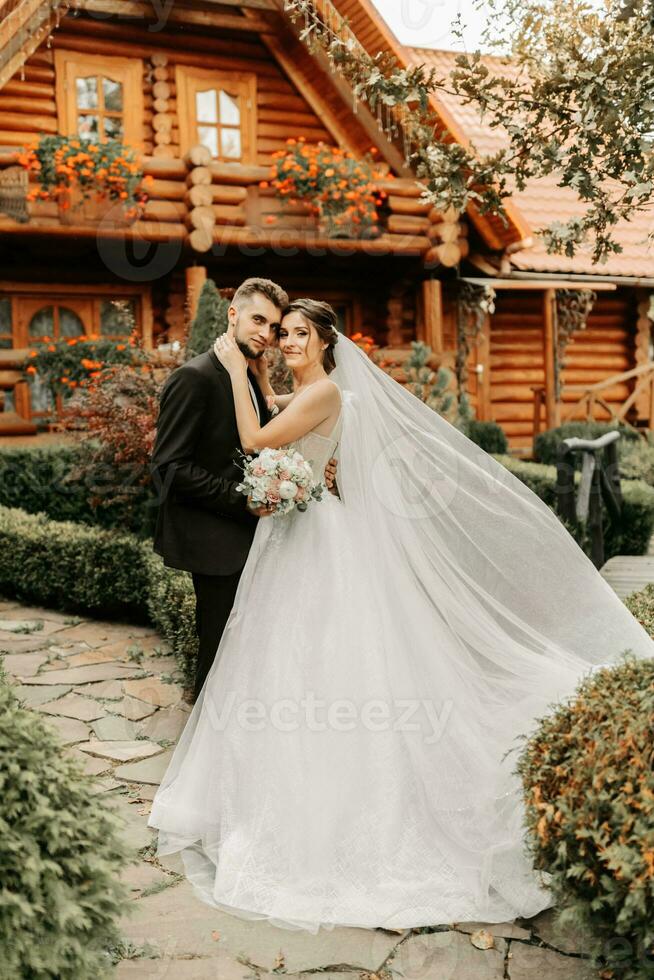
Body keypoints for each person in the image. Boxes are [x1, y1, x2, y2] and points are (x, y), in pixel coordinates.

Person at [148, 298, 654, 934]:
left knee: (327, 658)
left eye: (300, 334)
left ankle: (341, 807)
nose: (287, 342)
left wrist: (230, 367)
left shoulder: (327, 391)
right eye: (283, 333)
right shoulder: (311, 392)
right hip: (302, 531)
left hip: (317, 541)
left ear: (327, 343)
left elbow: (254, 438)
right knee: (283, 661)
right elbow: (282, 423)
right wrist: (265, 403)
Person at [149, 278, 337, 700]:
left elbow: (267, 435)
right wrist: (245, 501)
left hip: (262, 536)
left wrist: (312, 473)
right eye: (259, 321)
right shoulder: (194, 377)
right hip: (217, 538)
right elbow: (169, 468)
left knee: (247, 653)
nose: (267, 335)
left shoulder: (248, 374)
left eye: (275, 327)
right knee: (217, 654)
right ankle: (205, 740)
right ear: (232, 315)